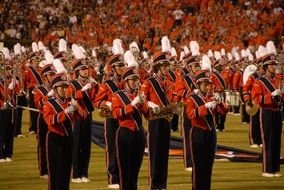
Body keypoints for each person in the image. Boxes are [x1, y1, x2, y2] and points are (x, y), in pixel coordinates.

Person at [186, 70, 228, 190]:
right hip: (197, 133)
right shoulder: (192, 98)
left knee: (208, 165)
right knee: (198, 166)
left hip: (211, 134)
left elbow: (223, 111)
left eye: (208, 84)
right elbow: (190, 114)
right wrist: (205, 107)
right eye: (204, 84)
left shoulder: (211, 97)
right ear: (198, 84)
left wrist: (220, 103)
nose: (207, 86)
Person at [141, 52, 175, 190]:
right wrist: (150, 104)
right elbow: (142, 100)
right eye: (165, 66)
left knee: (164, 154)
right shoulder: (148, 82)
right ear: (157, 67)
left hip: (166, 121)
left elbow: (172, 100)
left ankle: (163, 185)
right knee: (154, 155)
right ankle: (155, 186)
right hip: (154, 121)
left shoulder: (168, 83)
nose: (167, 68)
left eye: (167, 66)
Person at [43, 73, 83, 190]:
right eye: (62, 87)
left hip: (68, 138)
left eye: (66, 87)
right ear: (55, 89)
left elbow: (81, 116)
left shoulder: (69, 101)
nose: (65, 89)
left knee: (66, 171)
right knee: (55, 172)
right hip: (55, 138)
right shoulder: (49, 103)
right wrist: (65, 113)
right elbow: (49, 120)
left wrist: (77, 108)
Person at [94, 53, 125, 189]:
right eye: (119, 66)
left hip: (125, 119)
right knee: (112, 149)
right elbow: (97, 102)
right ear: (113, 68)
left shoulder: (126, 82)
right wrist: (108, 104)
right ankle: (113, 178)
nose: (122, 68)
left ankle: (123, 176)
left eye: (122, 65)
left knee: (125, 148)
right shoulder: (107, 84)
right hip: (111, 120)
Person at [112, 67, 146, 190]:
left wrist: (144, 103)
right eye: (133, 79)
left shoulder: (139, 94)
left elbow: (146, 113)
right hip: (125, 133)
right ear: (126, 80)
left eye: (137, 79)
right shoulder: (118, 95)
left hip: (139, 133)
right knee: (124, 169)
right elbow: (116, 113)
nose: (136, 82)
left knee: (135, 168)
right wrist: (131, 105)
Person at [251, 54, 283, 177]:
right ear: (266, 66)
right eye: (271, 65)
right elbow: (257, 99)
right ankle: (267, 169)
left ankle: (275, 169)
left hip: (277, 112)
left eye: (275, 64)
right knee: (268, 141)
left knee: (276, 141)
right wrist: (272, 95)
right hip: (267, 112)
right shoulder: (259, 82)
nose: (274, 67)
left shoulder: (278, 80)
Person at [68, 58, 98, 183]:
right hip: (77, 117)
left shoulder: (90, 83)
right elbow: (69, 96)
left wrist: (95, 86)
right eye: (82, 69)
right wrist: (83, 90)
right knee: (76, 145)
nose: (85, 71)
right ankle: (75, 174)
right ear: (77, 71)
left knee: (86, 145)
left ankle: (84, 173)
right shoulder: (72, 84)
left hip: (88, 115)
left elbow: (96, 98)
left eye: (86, 69)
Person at [33, 63, 56, 178]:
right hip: (43, 118)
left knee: (54, 144)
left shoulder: (58, 87)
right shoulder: (39, 90)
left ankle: (53, 168)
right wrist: (48, 95)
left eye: (53, 74)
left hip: (55, 118)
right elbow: (39, 105)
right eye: (50, 74)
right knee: (42, 145)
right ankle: (43, 170)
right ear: (44, 77)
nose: (53, 76)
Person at [0, 63, 19, 163]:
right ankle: (1, 155)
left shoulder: (13, 80)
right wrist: (10, 89)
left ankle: (9, 153)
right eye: (6, 70)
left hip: (12, 109)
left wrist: (15, 85)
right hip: (2, 110)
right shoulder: (0, 82)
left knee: (10, 133)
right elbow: (4, 96)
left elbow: (19, 92)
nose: (8, 72)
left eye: (9, 69)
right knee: (1, 133)